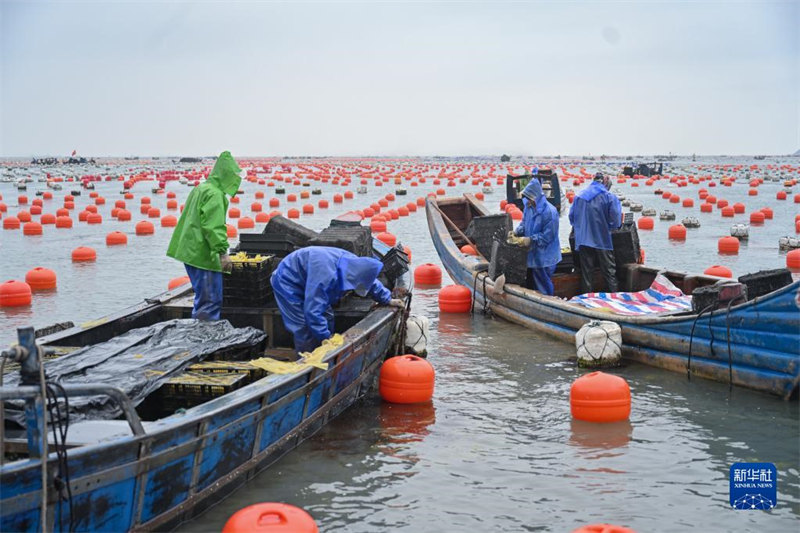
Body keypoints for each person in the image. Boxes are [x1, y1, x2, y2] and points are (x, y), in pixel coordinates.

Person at [271, 246, 404, 353]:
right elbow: (312, 311)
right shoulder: (325, 277)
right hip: (288, 280)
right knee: (303, 327)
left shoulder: (354, 264)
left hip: (308, 277)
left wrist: (387, 299)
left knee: (327, 316)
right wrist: (325, 338)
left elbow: (369, 282)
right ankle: (306, 363)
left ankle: (322, 351)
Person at [167, 151, 243, 320]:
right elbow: (213, 226)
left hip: (190, 252)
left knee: (202, 298)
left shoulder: (201, 188)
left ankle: (198, 336)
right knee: (210, 302)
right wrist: (223, 252)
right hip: (203, 255)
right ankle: (204, 341)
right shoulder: (215, 194)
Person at [568, 172, 622, 294]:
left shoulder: (579, 197)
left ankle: (587, 301)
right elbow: (616, 221)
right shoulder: (609, 197)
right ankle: (615, 298)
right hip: (602, 239)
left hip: (583, 240)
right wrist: (610, 226)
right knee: (609, 272)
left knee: (587, 274)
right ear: (604, 183)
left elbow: (572, 218)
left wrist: (582, 229)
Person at [507, 179, 561, 295]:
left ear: (536, 197)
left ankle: (547, 307)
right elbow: (524, 223)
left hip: (546, 256)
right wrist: (516, 233)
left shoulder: (550, 212)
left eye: (530, 198)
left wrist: (529, 240)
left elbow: (547, 237)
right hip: (533, 253)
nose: (528, 201)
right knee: (532, 285)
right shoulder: (528, 207)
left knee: (544, 286)